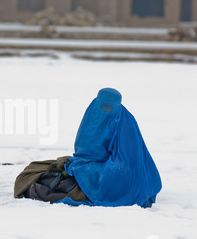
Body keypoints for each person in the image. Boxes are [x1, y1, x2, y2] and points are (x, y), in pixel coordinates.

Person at [14, 87, 162, 208]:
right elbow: (82, 151)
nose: (105, 109)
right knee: (36, 168)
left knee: (110, 177)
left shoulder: (126, 124)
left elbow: (128, 160)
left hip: (116, 169)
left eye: (110, 105)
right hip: (87, 165)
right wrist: (80, 166)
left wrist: (88, 169)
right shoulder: (92, 115)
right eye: (102, 104)